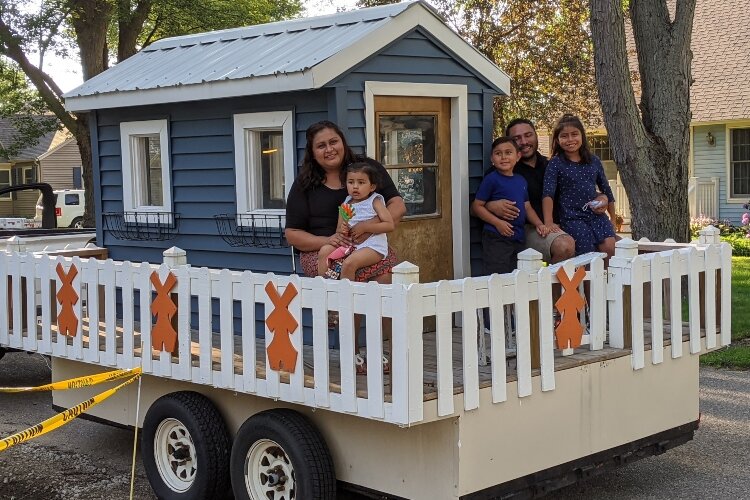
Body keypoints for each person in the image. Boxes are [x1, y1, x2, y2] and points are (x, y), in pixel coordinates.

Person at [285, 121, 406, 282]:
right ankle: (336, 306)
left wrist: (367, 228)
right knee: (336, 267)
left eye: (333, 142)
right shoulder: (304, 183)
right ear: (312, 152)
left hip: (368, 243)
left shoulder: (366, 168)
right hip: (321, 248)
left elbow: (397, 205)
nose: (329, 149)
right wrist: (329, 240)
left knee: (385, 276)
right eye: (321, 146)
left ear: (343, 142)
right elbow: (292, 234)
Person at [483, 118, 606, 263]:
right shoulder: (504, 169)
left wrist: (601, 197)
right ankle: (553, 286)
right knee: (564, 245)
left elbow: (577, 189)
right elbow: (475, 206)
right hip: (527, 229)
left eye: (528, 135)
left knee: (613, 243)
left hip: (567, 222)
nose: (523, 142)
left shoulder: (552, 164)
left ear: (536, 135)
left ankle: (591, 284)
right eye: (517, 138)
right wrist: (491, 205)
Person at [472, 137, 551, 275]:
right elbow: (477, 206)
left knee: (517, 275)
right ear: (492, 158)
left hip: (518, 237)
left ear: (518, 156)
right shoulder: (492, 179)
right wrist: (498, 223)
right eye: (498, 153)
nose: (503, 157)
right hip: (496, 237)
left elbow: (527, 207)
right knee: (498, 276)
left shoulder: (520, 180)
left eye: (508, 153)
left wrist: (539, 224)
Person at [542, 114, 617, 258]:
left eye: (574, 134)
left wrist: (613, 219)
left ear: (582, 136)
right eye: (564, 136)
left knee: (610, 247)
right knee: (587, 254)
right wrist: (549, 222)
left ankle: (605, 279)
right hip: (572, 218)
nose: (570, 140)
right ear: (557, 140)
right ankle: (586, 281)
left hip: (596, 216)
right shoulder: (556, 163)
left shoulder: (593, 161)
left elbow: (606, 190)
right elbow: (548, 194)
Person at [317, 162, 395, 280]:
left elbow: (389, 225)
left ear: (372, 187)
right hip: (351, 245)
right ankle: (325, 286)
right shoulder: (346, 203)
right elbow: (339, 230)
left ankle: (347, 295)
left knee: (349, 263)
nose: (355, 186)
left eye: (361, 182)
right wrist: (343, 229)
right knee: (324, 251)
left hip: (373, 246)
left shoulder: (375, 201)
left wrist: (365, 227)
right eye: (351, 182)